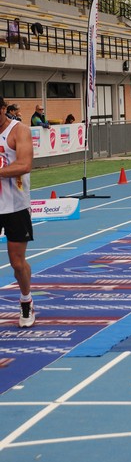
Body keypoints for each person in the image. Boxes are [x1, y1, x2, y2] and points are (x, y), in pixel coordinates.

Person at [0, 96, 35, 327]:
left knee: (17, 262)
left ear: (3, 109)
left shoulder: (19, 130)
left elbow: (24, 164)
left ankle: (26, 301)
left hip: (15, 206)